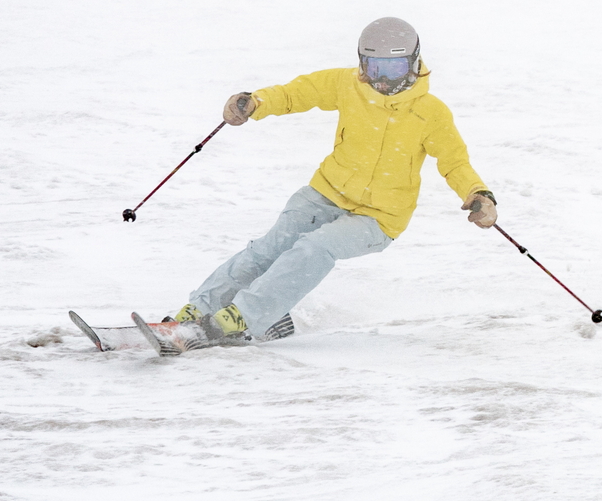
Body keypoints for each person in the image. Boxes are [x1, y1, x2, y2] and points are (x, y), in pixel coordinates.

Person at [174, 17, 497, 340]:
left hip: (379, 217)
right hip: (325, 193)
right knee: (269, 249)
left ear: (413, 63)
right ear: (361, 63)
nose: (382, 79)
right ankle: (199, 310)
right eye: (373, 68)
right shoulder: (348, 85)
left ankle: (241, 319)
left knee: (316, 247)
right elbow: (296, 94)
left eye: (394, 68)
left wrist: (478, 194)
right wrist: (254, 103)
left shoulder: (431, 112)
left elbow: (454, 162)